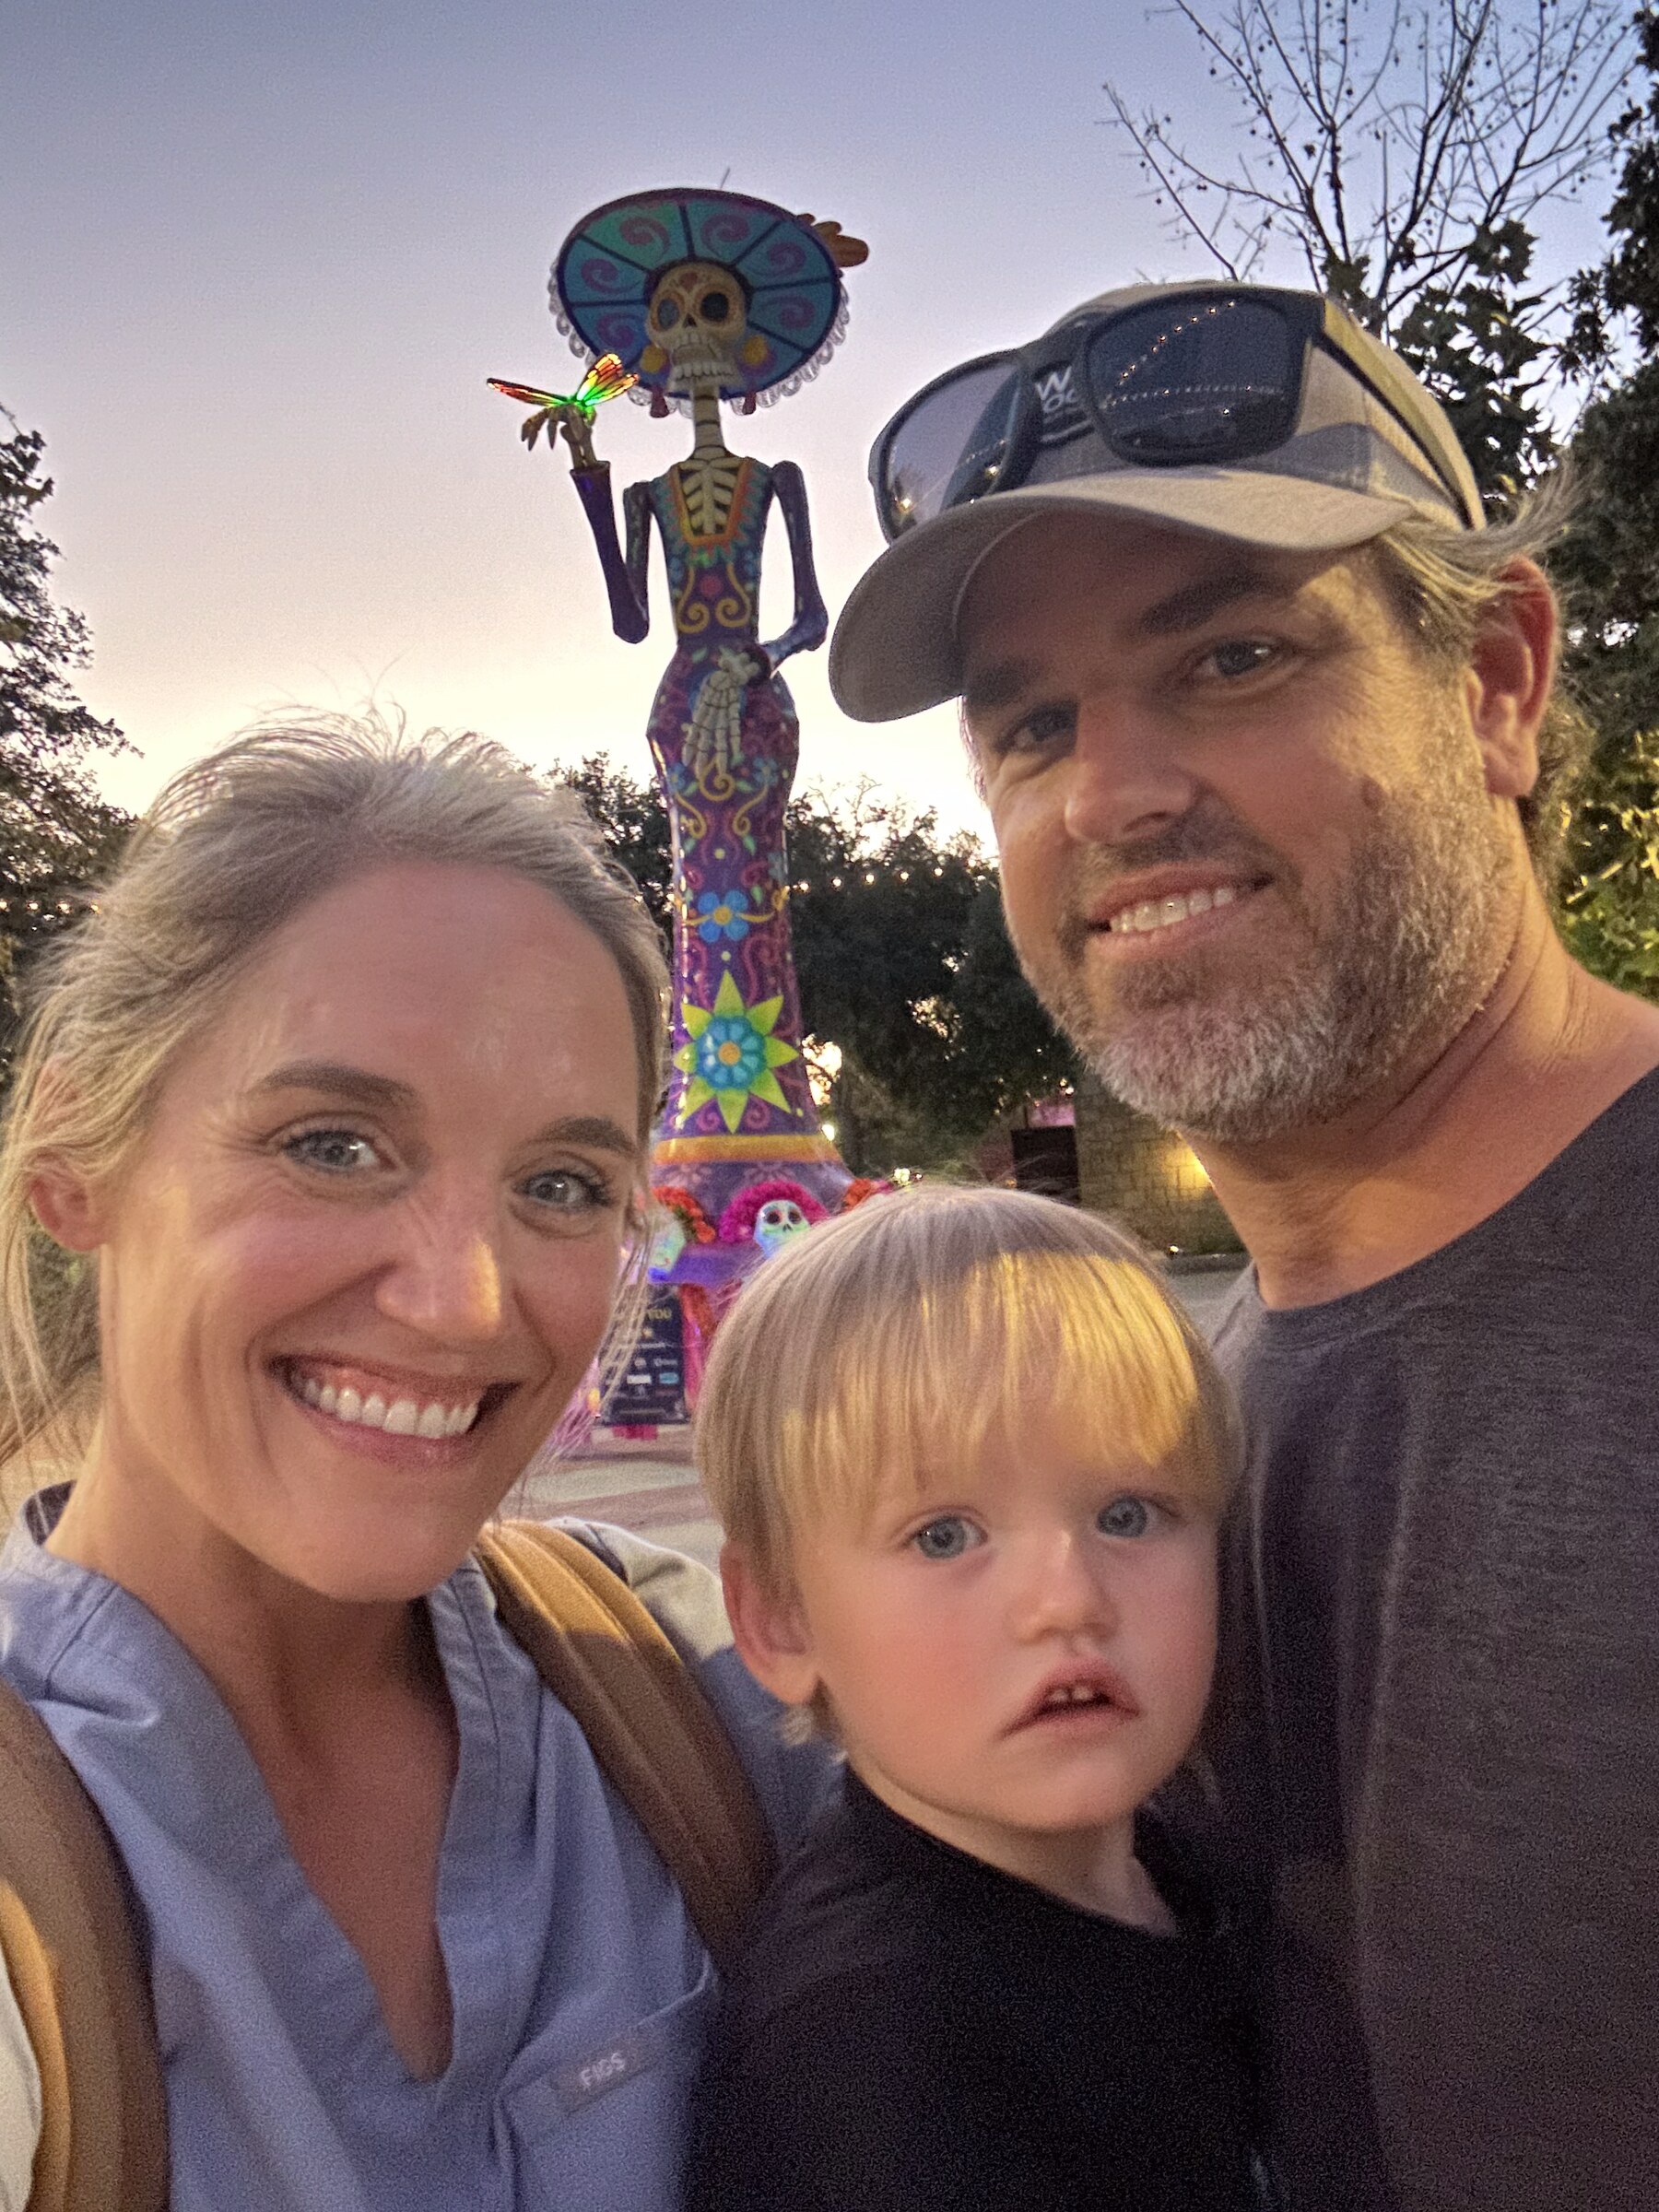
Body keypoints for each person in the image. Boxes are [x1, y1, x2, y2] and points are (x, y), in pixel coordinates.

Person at [826, 284, 1659, 2211]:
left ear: (1499, 687)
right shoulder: (1164, 1453)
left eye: (1231, 658)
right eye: (1032, 726)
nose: (1111, 795)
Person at [0, 715, 826, 2210]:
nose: (466, 1301)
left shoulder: (682, 1688)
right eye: (333, 1145)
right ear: (78, 1154)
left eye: (563, 1185)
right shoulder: (34, 1882)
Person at [684, 1184, 1271, 2212]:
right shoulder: (875, 2056)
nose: (1068, 1601)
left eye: (1130, 1514)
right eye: (944, 1536)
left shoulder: (1187, 1868)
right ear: (781, 1621)